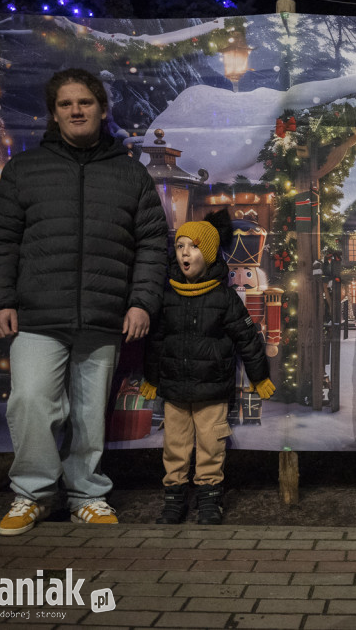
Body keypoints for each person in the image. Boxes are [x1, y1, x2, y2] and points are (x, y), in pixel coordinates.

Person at [0, 68, 168, 535]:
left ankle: (88, 495)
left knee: (89, 414)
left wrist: (142, 302)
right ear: (54, 114)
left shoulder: (130, 174)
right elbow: (1, 239)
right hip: (39, 313)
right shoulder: (25, 170)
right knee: (29, 401)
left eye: (84, 102)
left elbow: (151, 244)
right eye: (66, 104)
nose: (76, 110)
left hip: (105, 315)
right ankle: (33, 495)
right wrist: (0, 299)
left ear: (102, 110)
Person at [139, 213, 275, 525]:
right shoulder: (168, 295)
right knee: (175, 445)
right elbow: (156, 341)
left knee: (211, 445)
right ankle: (174, 499)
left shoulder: (224, 298)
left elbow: (247, 338)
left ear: (210, 253)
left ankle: (209, 498)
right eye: (180, 246)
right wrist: (151, 378)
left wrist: (259, 376)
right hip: (175, 390)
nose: (185, 253)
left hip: (212, 390)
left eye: (194, 247)